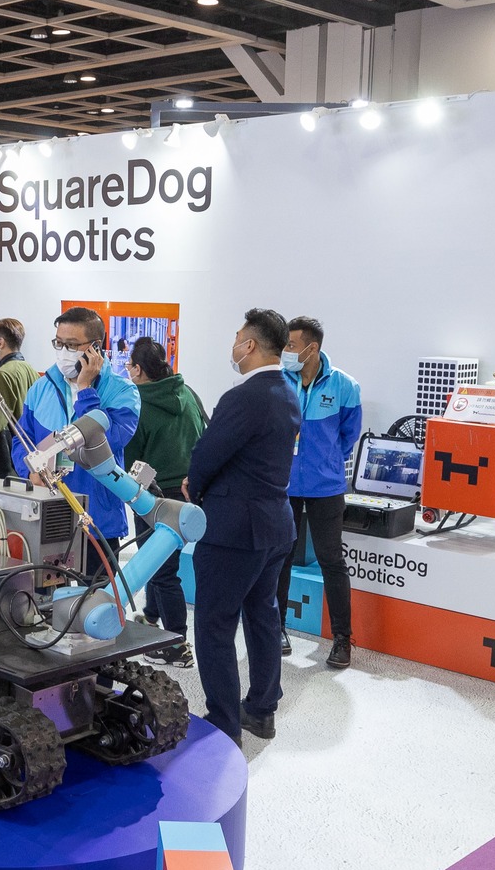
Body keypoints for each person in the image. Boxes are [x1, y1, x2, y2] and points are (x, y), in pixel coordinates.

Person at [186, 310, 300, 742]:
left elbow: (207, 453)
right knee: (263, 617)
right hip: (275, 525)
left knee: (214, 625)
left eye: (237, 337)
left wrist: (194, 488)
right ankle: (261, 710)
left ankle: (223, 725)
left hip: (233, 531)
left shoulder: (243, 397)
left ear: (249, 344)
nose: (233, 344)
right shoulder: (287, 393)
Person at [18, 307, 141, 576]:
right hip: (48, 513)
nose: (63, 351)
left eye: (72, 345)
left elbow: (105, 442)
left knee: (98, 596)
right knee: (47, 596)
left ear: (95, 347)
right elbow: (21, 440)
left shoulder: (123, 392)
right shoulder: (41, 388)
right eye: (58, 343)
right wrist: (28, 471)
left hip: (97, 517)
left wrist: (85, 391)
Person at [278, 316, 363, 669]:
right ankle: (276, 628)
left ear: (312, 348)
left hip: (326, 487)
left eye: (291, 345)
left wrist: (324, 462)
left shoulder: (345, 385)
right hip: (284, 486)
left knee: (331, 560)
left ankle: (342, 638)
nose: (285, 351)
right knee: (280, 557)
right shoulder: (279, 380)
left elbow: (349, 435)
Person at [122, 337, 205, 666]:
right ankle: (152, 615)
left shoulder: (137, 403)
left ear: (139, 369)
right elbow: (205, 433)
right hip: (189, 493)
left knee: (162, 571)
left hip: (154, 496)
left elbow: (131, 459)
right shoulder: (187, 392)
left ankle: (176, 644)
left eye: (130, 365)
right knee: (163, 564)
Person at [0, 317, 38, 478]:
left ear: (0, 343)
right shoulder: (31, 370)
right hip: (31, 452)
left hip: (11, 455)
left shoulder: (3, 374)